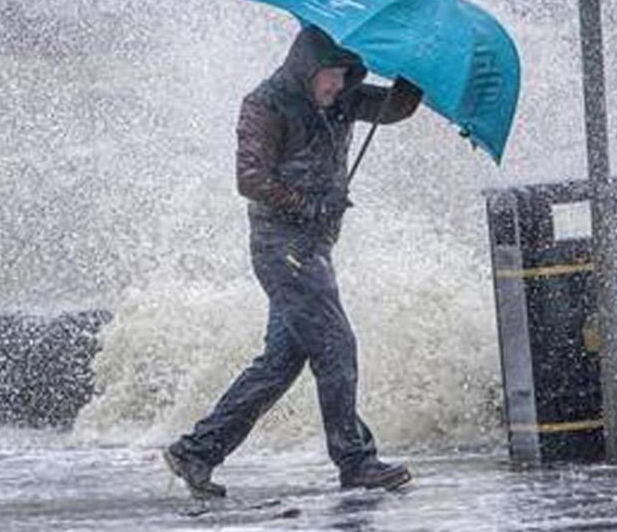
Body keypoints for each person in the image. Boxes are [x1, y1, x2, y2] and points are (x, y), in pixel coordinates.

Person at [163, 25, 423, 498]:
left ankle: (196, 452)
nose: (337, 86)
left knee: (281, 362)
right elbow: (250, 178)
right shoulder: (265, 104)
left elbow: (395, 108)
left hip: (314, 248)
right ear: (308, 68)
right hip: (281, 246)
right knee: (336, 345)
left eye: (346, 76)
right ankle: (355, 460)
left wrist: (415, 69)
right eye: (331, 76)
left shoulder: (342, 98)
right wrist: (309, 205)